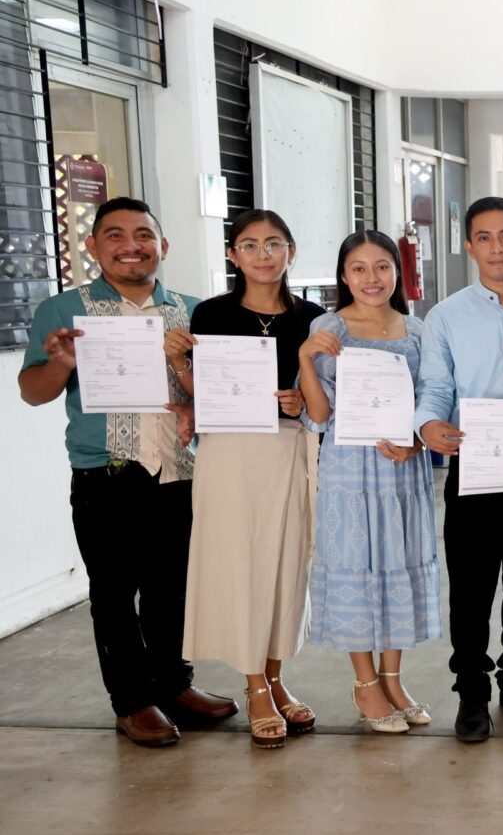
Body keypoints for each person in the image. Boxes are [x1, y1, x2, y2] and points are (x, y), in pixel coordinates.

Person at [17, 196, 237, 747]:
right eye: (114, 235)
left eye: (143, 235)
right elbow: (33, 393)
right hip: (106, 474)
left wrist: (195, 406)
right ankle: (133, 701)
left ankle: (174, 686)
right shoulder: (64, 310)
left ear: (163, 245)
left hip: (181, 471)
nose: (130, 246)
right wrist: (61, 364)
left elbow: (220, 393)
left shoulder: (195, 310)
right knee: (114, 594)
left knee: (173, 590)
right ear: (92, 246)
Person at [174, 210, 323, 748]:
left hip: (289, 450)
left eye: (274, 244)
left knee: (286, 564)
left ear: (291, 251)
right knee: (241, 565)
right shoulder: (210, 314)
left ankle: (277, 677)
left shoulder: (314, 318)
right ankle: (255, 684)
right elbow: (204, 394)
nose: (264, 255)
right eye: (251, 245)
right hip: (229, 454)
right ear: (232, 255)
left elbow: (326, 398)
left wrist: (302, 399)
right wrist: (182, 365)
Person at [415, 197, 503, 744]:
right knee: (472, 587)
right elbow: (435, 386)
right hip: (472, 466)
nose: (497, 247)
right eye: (484, 237)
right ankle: (472, 691)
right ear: (469, 246)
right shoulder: (446, 316)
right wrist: (428, 424)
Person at [298, 230, 440, 734]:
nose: (371, 278)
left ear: (397, 272)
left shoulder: (418, 330)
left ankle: (393, 679)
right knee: (356, 566)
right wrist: (305, 358)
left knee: (398, 563)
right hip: (350, 470)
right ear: (344, 275)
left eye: (382, 266)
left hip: (402, 468)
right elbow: (318, 414)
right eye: (358, 268)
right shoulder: (328, 327)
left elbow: (432, 398)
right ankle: (365, 684)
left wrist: (418, 444)